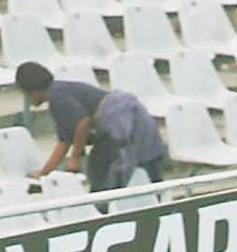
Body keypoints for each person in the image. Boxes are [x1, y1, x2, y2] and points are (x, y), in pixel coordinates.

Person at [15, 62, 166, 193]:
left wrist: (75, 157)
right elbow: (63, 142)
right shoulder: (60, 91)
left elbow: (83, 122)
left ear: (33, 91)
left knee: (107, 171)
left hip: (119, 118)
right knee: (145, 157)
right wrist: (43, 173)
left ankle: (102, 209)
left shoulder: (56, 97)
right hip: (130, 112)